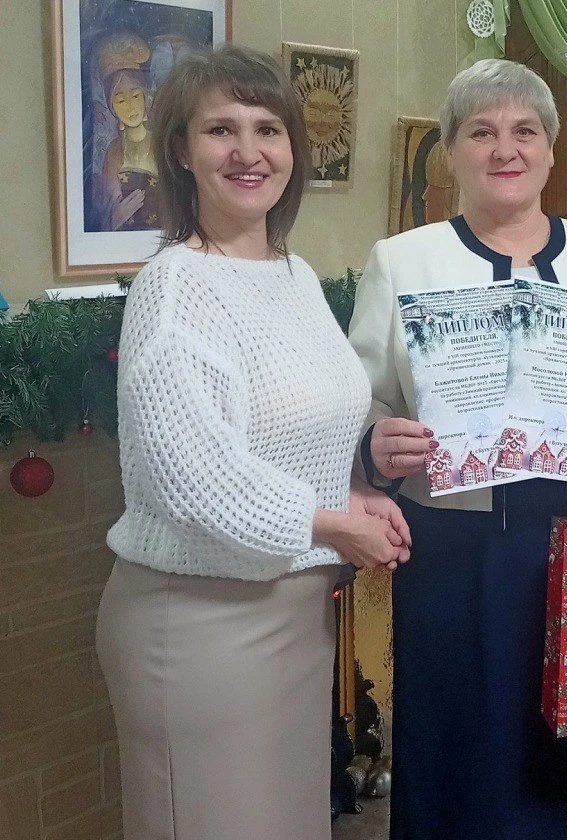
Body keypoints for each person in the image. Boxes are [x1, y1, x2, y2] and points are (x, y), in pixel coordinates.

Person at [348, 58, 567, 840]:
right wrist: (373, 440)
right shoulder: (401, 261)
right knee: (457, 753)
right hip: (451, 552)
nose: (505, 149)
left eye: (525, 131)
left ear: (549, 147)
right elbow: (361, 398)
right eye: (481, 132)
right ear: (451, 150)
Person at [96, 44, 410, 840]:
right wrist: (335, 524)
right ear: (180, 151)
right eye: (221, 130)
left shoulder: (293, 276)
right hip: (204, 625)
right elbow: (193, 479)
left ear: (293, 149)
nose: (248, 151)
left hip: (296, 618)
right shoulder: (174, 287)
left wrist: (354, 491)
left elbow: (297, 433)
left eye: (268, 129)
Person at [96, 34, 159, 231]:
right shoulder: (114, 152)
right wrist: (117, 217)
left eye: (136, 95)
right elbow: (109, 210)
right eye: (121, 100)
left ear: (146, 97)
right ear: (112, 107)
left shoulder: (162, 144)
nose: (130, 106)